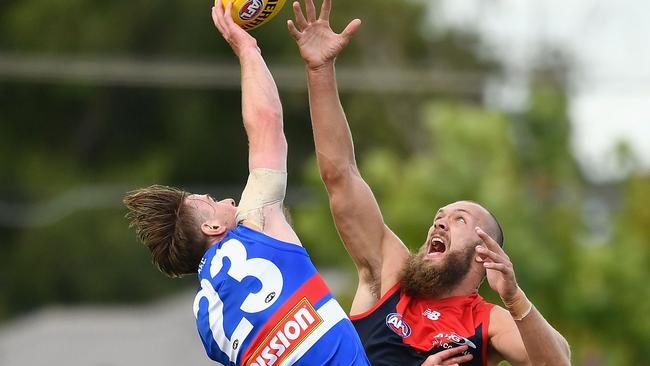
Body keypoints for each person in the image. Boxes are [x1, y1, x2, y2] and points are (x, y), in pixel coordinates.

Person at [287, 0, 572, 365]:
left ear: (483, 254)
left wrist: (515, 299)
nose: (440, 221)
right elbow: (341, 175)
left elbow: (559, 362)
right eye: (441, 215)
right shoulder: (391, 275)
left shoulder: (487, 321)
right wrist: (319, 70)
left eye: (460, 220)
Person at [123, 3, 370, 366]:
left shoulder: (206, 319)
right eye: (210, 201)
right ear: (212, 226)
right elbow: (267, 124)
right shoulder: (255, 230)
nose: (224, 199)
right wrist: (246, 48)